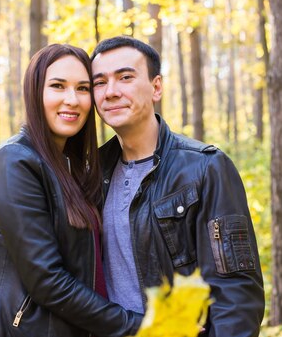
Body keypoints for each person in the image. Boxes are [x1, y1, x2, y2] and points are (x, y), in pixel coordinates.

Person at [0, 44, 142, 337]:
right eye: (58, 86)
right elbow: (46, 280)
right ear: (35, 93)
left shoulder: (75, 168)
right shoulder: (14, 163)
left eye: (83, 88)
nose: (72, 100)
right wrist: (140, 326)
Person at [91, 36, 265, 337]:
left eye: (125, 77)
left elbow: (236, 294)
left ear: (156, 87)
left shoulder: (206, 168)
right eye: (100, 82)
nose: (111, 91)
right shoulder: (91, 174)